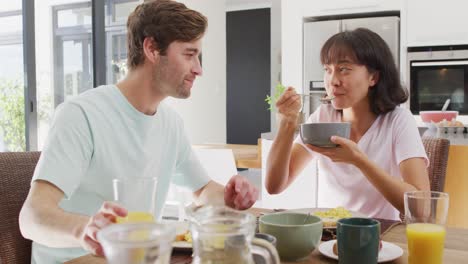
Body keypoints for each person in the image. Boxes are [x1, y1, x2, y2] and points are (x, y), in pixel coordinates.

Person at [19, 1, 258, 263]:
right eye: (189, 55)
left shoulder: (170, 124)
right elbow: (31, 218)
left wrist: (227, 197)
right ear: (152, 49)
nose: (199, 69)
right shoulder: (81, 115)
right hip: (75, 259)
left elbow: (202, 191)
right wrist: (85, 230)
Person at [266, 28, 430, 221]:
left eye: (344, 69)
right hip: (328, 233)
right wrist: (287, 125)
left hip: (379, 234)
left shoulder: (398, 121)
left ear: (373, 77)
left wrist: (359, 161)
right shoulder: (323, 116)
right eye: (328, 70)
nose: (332, 81)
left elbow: (421, 209)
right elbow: (275, 186)